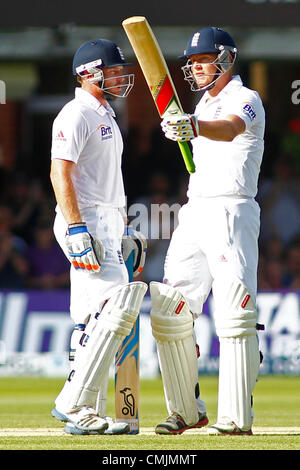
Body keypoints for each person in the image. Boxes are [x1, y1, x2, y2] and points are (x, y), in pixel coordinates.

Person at [150, 26, 265, 435]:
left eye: (204, 61)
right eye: (193, 63)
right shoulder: (199, 105)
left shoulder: (246, 99)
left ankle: (235, 419)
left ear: (226, 60)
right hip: (195, 209)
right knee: (170, 309)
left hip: (232, 209)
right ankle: (185, 409)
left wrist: (193, 128)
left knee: (234, 313)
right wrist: (187, 125)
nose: (196, 69)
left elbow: (232, 128)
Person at [49, 38, 147, 435]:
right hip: (83, 221)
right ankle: (74, 403)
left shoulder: (105, 113)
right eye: (113, 70)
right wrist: (76, 228)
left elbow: (106, 182)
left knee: (92, 318)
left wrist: (121, 229)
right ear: (88, 72)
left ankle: (86, 410)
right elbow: (61, 172)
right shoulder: (75, 114)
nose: (121, 76)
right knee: (117, 308)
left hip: (104, 223)